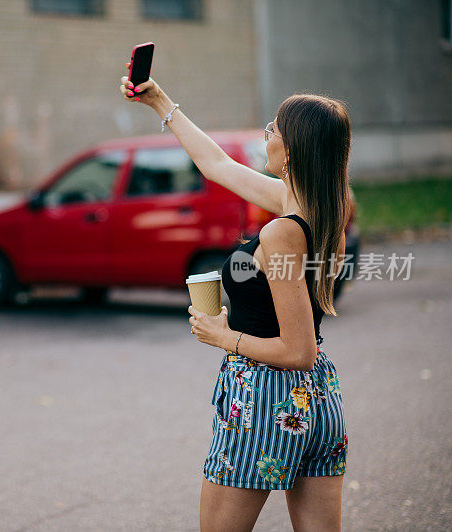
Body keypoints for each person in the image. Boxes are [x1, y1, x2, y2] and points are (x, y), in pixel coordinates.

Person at [119, 65, 352, 531]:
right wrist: (161, 102)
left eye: (273, 130)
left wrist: (224, 336)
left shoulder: (284, 231)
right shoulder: (321, 209)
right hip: (319, 403)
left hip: (265, 403)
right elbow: (217, 166)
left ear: (291, 151)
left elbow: (297, 351)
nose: (266, 136)